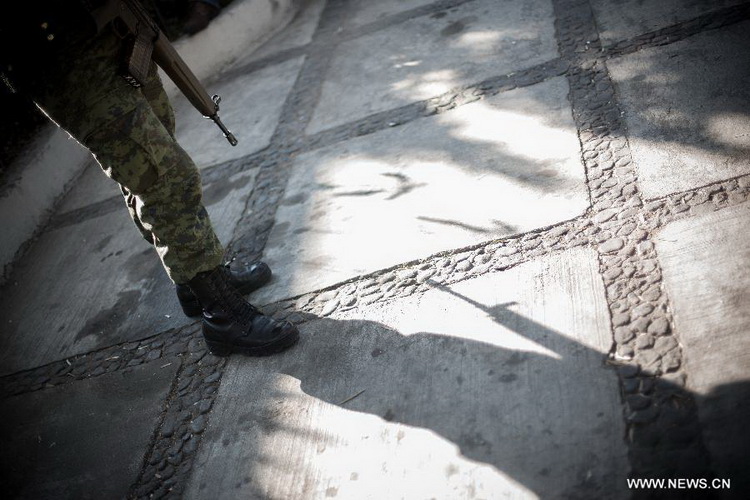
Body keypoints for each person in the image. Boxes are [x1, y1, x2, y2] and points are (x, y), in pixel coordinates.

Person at [1, 1, 299, 357]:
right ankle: (223, 316)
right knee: (164, 175)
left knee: (155, 155)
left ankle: (197, 283)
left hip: (116, 28)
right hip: (61, 53)